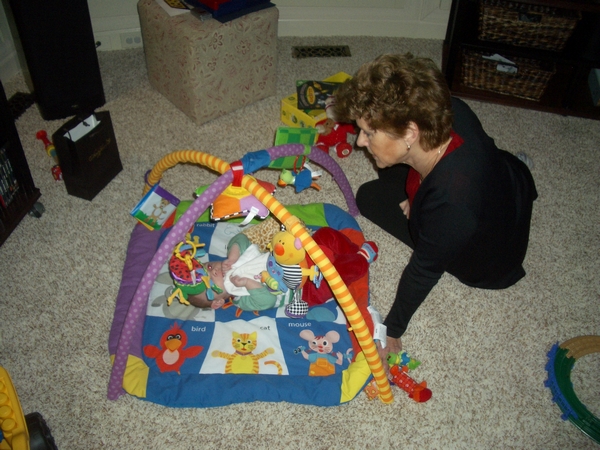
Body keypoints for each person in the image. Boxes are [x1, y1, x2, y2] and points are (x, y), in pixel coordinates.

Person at [333, 53, 537, 372]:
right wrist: (414, 195)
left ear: (410, 133)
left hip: (486, 257)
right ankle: (415, 189)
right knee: (384, 179)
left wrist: (392, 330)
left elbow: (424, 271)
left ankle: (420, 198)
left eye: (369, 133)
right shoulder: (450, 109)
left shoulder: (451, 203)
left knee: (370, 197)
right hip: (511, 180)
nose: (359, 142)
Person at [186, 228, 379, 314]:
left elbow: (241, 239)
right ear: (218, 302)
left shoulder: (234, 262)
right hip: (304, 290)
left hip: (295, 259)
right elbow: (267, 301)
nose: (213, 272)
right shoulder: (241, 299)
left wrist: (234, 256)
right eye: (210, 283)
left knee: (324, 235)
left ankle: (351, 250)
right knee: (334, 277)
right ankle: (361, 259)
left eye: (208, 267)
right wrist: (247, 283)